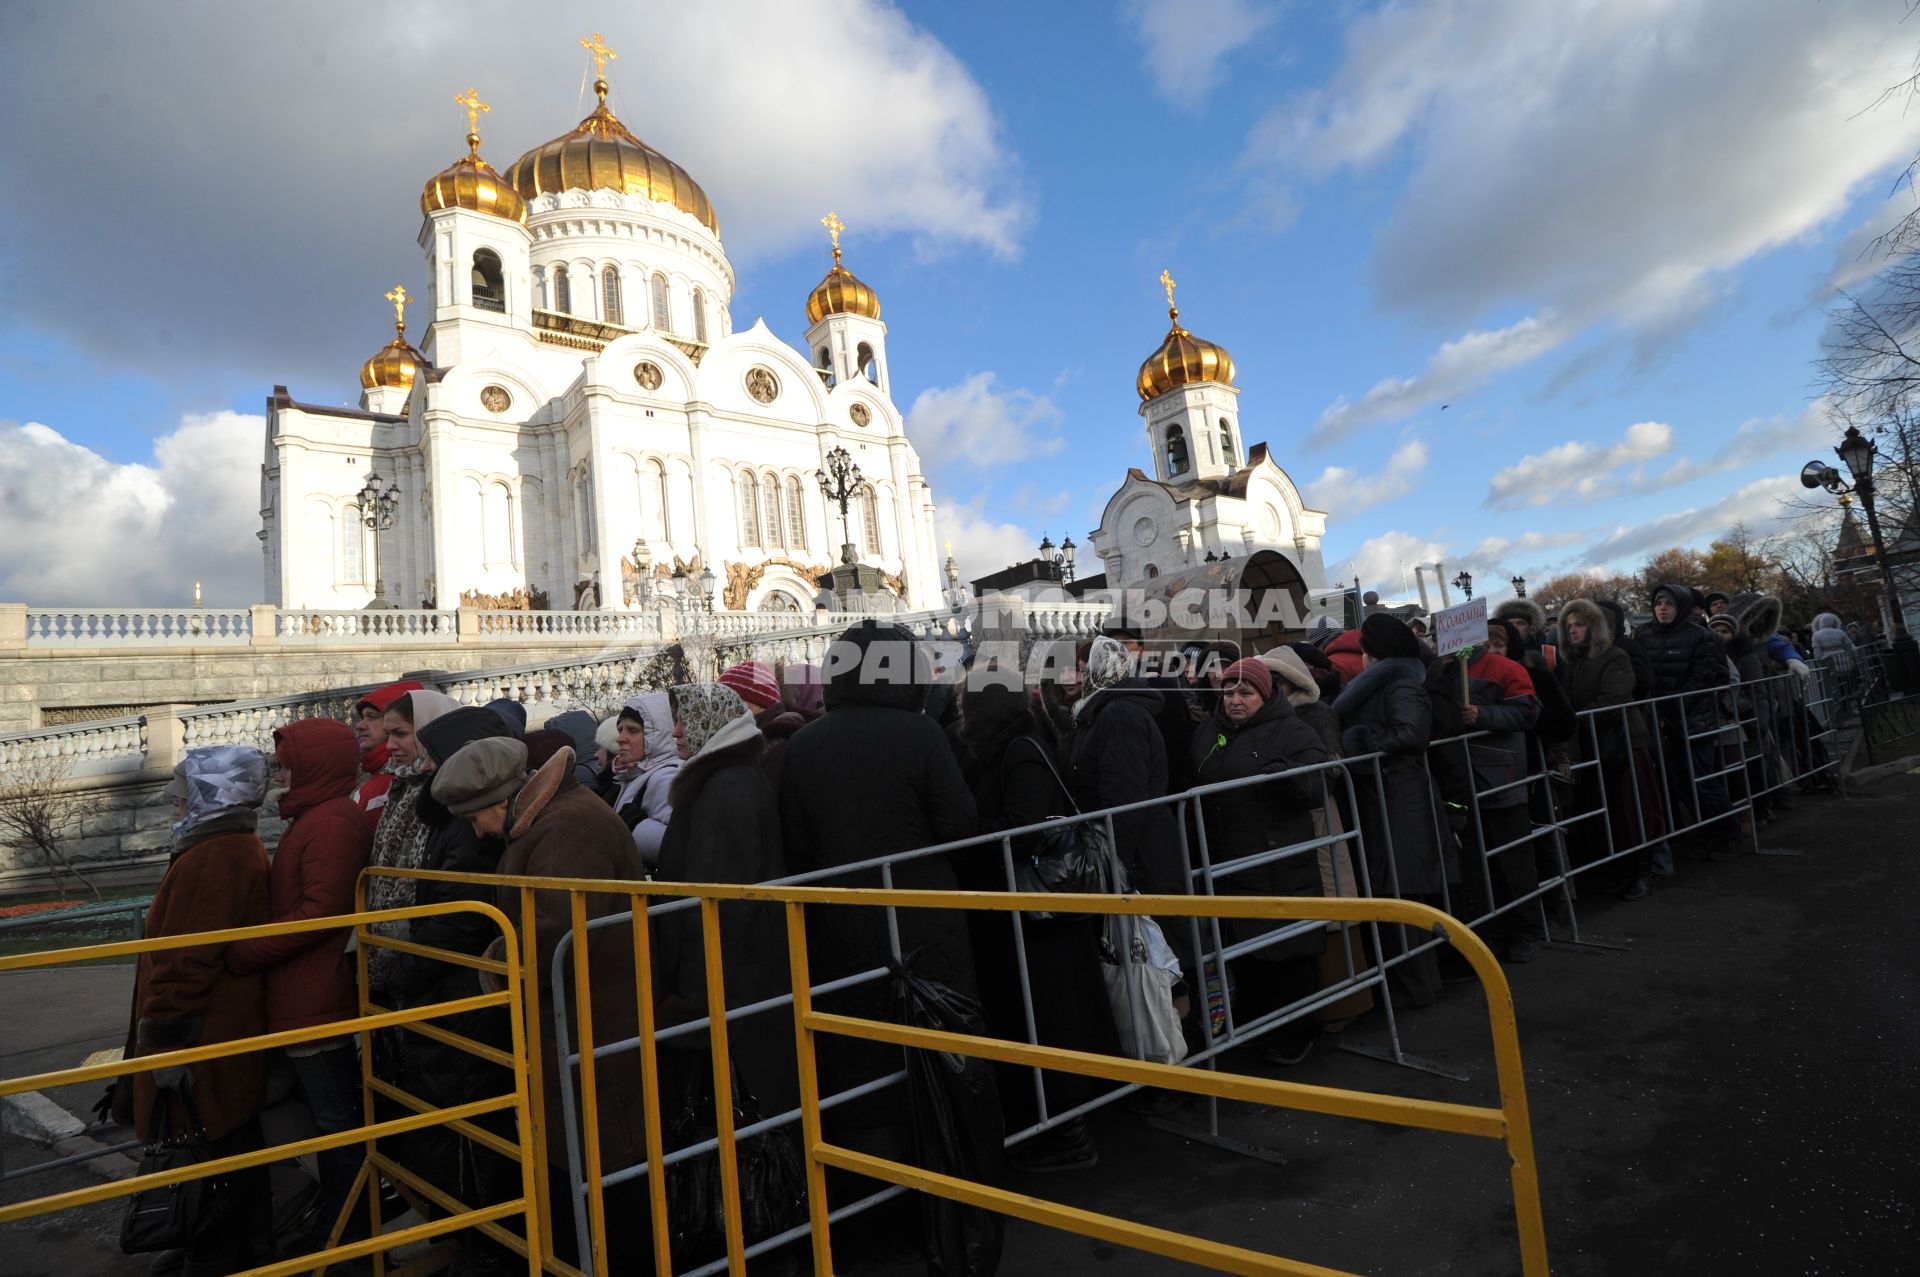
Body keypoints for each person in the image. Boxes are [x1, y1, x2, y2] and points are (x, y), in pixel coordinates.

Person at [431, 731, 653, 1268]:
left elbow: (555, 934)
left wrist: (489, 976)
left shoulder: (565, 829)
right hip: (575, 1021)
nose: (478, 832)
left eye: (476, 817)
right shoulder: (550, 819)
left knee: (606, 1170)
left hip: (593, 1023)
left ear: (501, 802)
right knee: (581, 1161)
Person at [777, 621, 983, 1184]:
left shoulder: (803, 744)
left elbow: (796, 841)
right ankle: (955, 1178)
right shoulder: (919, 736)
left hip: (841, 926)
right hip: (924, 919)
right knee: (940, 1049)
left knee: (864, 1053)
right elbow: (960, 824)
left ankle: (876, 1186)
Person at [653, 684, 798, 1246]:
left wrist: (691, 997)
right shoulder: (730, 780)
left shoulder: (723, 789)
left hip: (728, 989)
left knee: (738, 1117)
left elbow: (711, 910)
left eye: (685, 720)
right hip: (743, 983)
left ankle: (748, 1230)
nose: (679, 731)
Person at [950, 680, 1114, 1172]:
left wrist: (962, 834)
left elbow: (1026, 827)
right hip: (1029, 916)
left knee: (1049, 1019)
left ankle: (1070, 1136)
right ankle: (1059, 1125)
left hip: (1039, 917)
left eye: (967, 706)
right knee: (1041, 1017)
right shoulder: (1012, 746)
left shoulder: (1020, 751)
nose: (962, 714)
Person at [125, 745, 274, 1276]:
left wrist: (164, 1040)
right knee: (221, 1141)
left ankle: (218, 1252)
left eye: (187, 796)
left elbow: (187, 958)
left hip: (202, 1036)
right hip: (214, 1029)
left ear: (214, 795)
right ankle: (222, 1246)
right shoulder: (224, 845)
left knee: (209, 1145)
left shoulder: (217, 854)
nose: (176, 806)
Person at [225, 719, 373, 1251]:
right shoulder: (313, 816)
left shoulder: (331, 820)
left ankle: (349, 1235)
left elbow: (322, 913)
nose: (281, 775)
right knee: (321, 1123)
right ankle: (335, 1225)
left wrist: (244, 952)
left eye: (289, 764)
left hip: (316, 1002)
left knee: (337, 1127)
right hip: (301, 996)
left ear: (317, 765)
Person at [1191, 657, 1331, 1066]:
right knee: (1244, 951)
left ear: (1264, 694)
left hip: (1276, 857)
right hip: (1228, 858)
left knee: (1286, 950)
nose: (1235, 701)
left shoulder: (1292, 730)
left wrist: (1287, 776)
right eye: (1229, 693)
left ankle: (1300, 1029)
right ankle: (1258, 1026)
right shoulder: (1209, 732)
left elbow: (1318, 780)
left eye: (1245, 693)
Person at [1331, 615, 1446, 1004]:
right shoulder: (1379, 685)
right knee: (1392, 888)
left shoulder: (1399, 684)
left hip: (1400, 796)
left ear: (1371, 655)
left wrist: (1360, 741)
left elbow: (1412, 734)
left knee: (1404, 890)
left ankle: (1418, 986)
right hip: (1384, 795)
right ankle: (1412, 983)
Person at [1449, 622, 1548, 963]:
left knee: (1515, 863)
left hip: (1502, 779)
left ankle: (1527, 930)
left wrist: (1482, 715)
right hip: (1463, 783)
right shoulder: (1442, 671)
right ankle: (1491, 934)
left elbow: (1529, 711)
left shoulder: (1504, 667)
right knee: (1477, 868)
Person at [364, 688, 461, 996]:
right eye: (389, 734)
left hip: (417, 961)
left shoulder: (439, 793)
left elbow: (413, 883)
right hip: (390, 951)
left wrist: (393, 967)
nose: (390, 745)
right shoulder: (402, 783)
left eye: (401, 734)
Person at [1558, 601, 1658, 901]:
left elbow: (1614, 701)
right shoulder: (1571, 662)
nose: (1573, 630)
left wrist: (1572, 719)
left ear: (1594, 627)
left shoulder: (1615, 655)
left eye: (1579, 624)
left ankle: (1643, 870)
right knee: (1610, 814)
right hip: (1593, 745)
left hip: (1624, 742)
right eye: (1569, 625)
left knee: (1633, 811)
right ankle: (1620, 871)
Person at [1638, 583, 1739, 858]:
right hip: (1662, 722)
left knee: (1702, 780)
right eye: (1658, 603)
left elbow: (1707, 678)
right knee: (1679, 782)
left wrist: (1672, 701)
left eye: (1668, 603)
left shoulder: (1703, 637)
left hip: (1694, 721)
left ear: (1680, 607)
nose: (1662, 608)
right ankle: (1707, 831)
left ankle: (1729, 833)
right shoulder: (1643, 634)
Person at [608, 691, 678, 868]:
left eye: (633, 730)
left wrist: (635, 827)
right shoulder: (634, 776)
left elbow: (681, 845)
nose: (620, 738)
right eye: (620, 730)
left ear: (656, 736)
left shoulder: (666, 777)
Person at [720, 658, 811, 786]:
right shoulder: (758, 738)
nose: (722, 710)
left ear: (753, 700)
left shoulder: (774, 745)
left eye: (728, 701)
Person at [350, 679, 424, 833]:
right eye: (362, 717)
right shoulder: (373, 777)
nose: (360, 725)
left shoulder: (403, 780)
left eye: (372, 716)